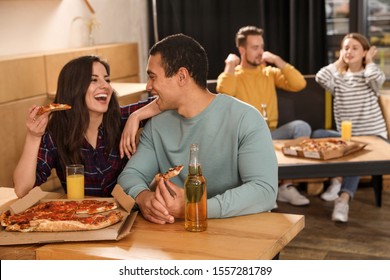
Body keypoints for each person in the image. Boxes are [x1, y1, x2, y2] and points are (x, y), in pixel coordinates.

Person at [118, 33, 278, 225]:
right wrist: (143, 197)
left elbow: (264, 191)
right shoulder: (157, 124)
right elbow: (129, 176)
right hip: (181, 236)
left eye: (153, 77)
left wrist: (194, 207)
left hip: (241, 235)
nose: (148, 85)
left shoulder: (246, 119)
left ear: (182, 76)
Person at [13, 55, 161, 198]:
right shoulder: (57, 133)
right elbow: (22, 189)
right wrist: (33, 137)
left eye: (107, 79)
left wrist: (136, 116)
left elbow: (166, 99)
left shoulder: (121, 117)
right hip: (83, 216)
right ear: (74, 88)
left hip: (127, 214)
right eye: (94, 80)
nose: (105, 86)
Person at [216, 25, 311, 206]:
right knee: (252, 141)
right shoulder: (234, 75)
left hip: (272, 133)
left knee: (301, 127)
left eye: (261, 46)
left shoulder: (269, 73)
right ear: (242, 50)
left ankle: (284, 186)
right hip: (246, 138)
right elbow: (225, 91)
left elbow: (299, 83)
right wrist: (229, 65)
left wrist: (277, 60)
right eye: (255, 47)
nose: (261, 52)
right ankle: (267, 189)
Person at [314, 32, 388, 222]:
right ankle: (337, 178)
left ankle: (343, 199)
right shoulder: (338, 79)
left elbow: (376, 78)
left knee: (355, 152)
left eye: (355, 48)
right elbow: (321, 77)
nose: (349, 51)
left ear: (364, 52)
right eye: (346, 47)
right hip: (346, 137)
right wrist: (340, 60)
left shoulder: (369, 76)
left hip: (373, 137)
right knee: (318, 134)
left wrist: (369, 60)